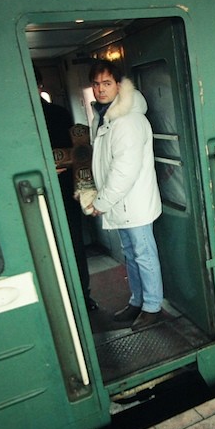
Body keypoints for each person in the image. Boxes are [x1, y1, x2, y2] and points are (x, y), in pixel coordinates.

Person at [82, 59, 164, 331]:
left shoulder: (127, 120)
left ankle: (152, 306)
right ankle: (137, 300)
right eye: (96, 84)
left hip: (133, 203)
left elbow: (123, 172)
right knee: (131, 253)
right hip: (121, 203)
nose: (100, 89)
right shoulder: (106, 117)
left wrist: (101, 203)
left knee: (143, 254)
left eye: (107, 83)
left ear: (118, 85)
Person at [40, 92, 98, 311]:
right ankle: (82, 297)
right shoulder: (60, 113)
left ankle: (74, 299)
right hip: (64, 188)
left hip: (59, 188)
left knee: (64, 244)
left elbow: (75, 151)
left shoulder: (58, 114)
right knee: (72, 243)